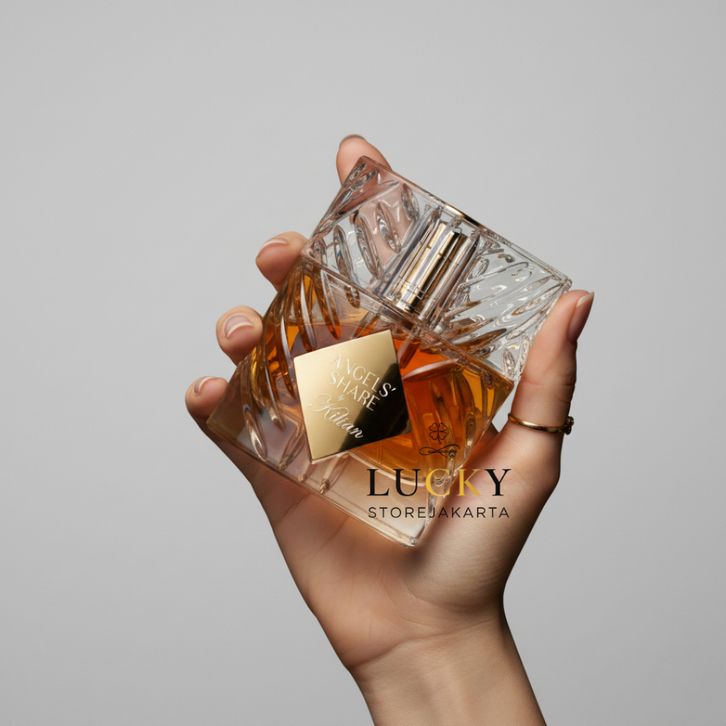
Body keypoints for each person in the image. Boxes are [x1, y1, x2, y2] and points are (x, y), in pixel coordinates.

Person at [185, 135, 594, 725]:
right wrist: (430, 646)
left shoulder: (468, 351)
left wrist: (438, 635)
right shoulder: (342, 290)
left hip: (394, 516)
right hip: (308, 445)